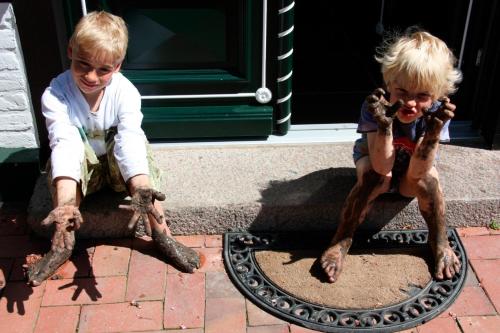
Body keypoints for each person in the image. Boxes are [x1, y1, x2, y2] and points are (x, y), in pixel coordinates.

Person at [25, 11, 200, 286]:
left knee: (137, 146)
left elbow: (128, 141)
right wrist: (67, 201)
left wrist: (140, 186)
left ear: (117, 66)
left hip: (120, 171)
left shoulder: (126, 92)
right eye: (83, 64)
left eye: (103, 69)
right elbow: (65, 144)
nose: (91, 77)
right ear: (70, 51)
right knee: (62, 162)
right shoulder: (56, 94)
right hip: (85, 174)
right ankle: (63, 243)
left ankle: (162, 234)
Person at [319, 28, 463, 283]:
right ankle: (342, 239)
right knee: (375, 177)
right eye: (402, 92)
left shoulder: (438, 113)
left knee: (429, 181)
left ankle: (439, 240)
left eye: (422, 96)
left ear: (438, 95)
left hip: (413, 168)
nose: (410, 103)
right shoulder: (376, 106)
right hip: (377, 161)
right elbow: (380, 164)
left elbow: (418, 173)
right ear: (389, 84)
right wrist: (385, 125)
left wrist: (432, 133)